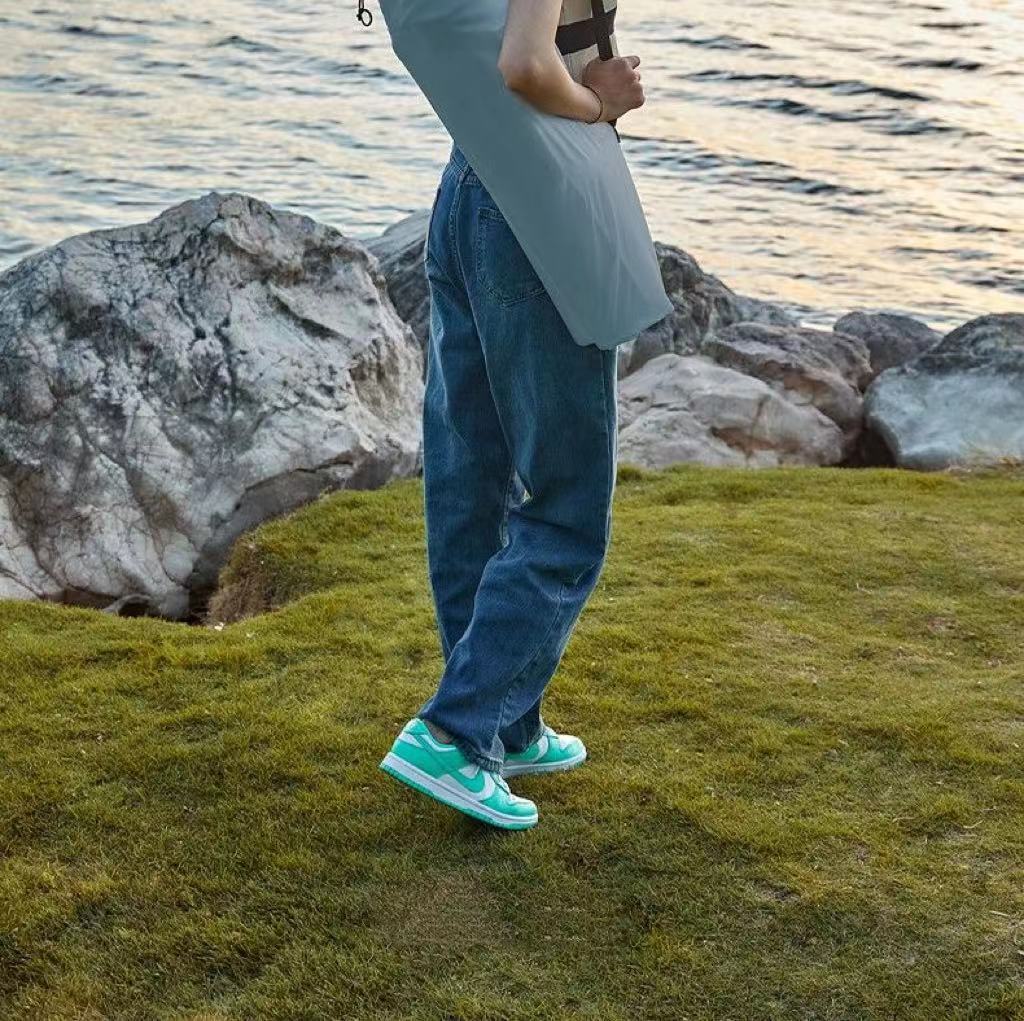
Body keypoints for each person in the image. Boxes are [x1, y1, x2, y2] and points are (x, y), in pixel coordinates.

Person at [379, 0, 647, 830]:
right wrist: (601, 101)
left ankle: (506, 722)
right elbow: (526, 66)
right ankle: (457, 732)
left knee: (470, 475)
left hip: (469, 186)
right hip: (533, 203)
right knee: (567, 508)